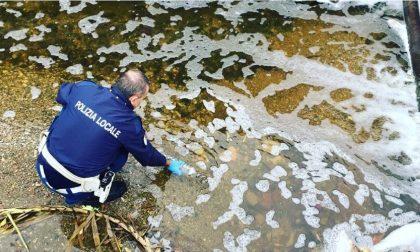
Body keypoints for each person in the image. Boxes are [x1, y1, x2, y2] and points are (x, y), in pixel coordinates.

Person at [36, 69, 186, 206]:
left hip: (43, 164)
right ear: (134, 99)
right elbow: (147, 157)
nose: (141, 102)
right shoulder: (130, 123)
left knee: (71, 113)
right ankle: (85, 198)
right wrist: (168, 163)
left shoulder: (85, 88)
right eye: (142, 98)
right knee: (121, 166)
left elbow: (62, 93)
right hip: (70, 185)